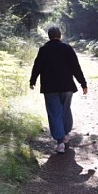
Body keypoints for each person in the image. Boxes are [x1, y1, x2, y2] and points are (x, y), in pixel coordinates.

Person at [30, 26, 88, 154]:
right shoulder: (67, 49)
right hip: (67, 86)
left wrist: (32, 81)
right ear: (60, 35)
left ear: (49, 36)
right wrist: (83, 83)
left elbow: (37, 66)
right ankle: (66, 134)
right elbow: (75, 67)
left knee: (54, 113)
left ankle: (60, 142)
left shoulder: (44, 50)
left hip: (49, 88)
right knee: (65, 109)